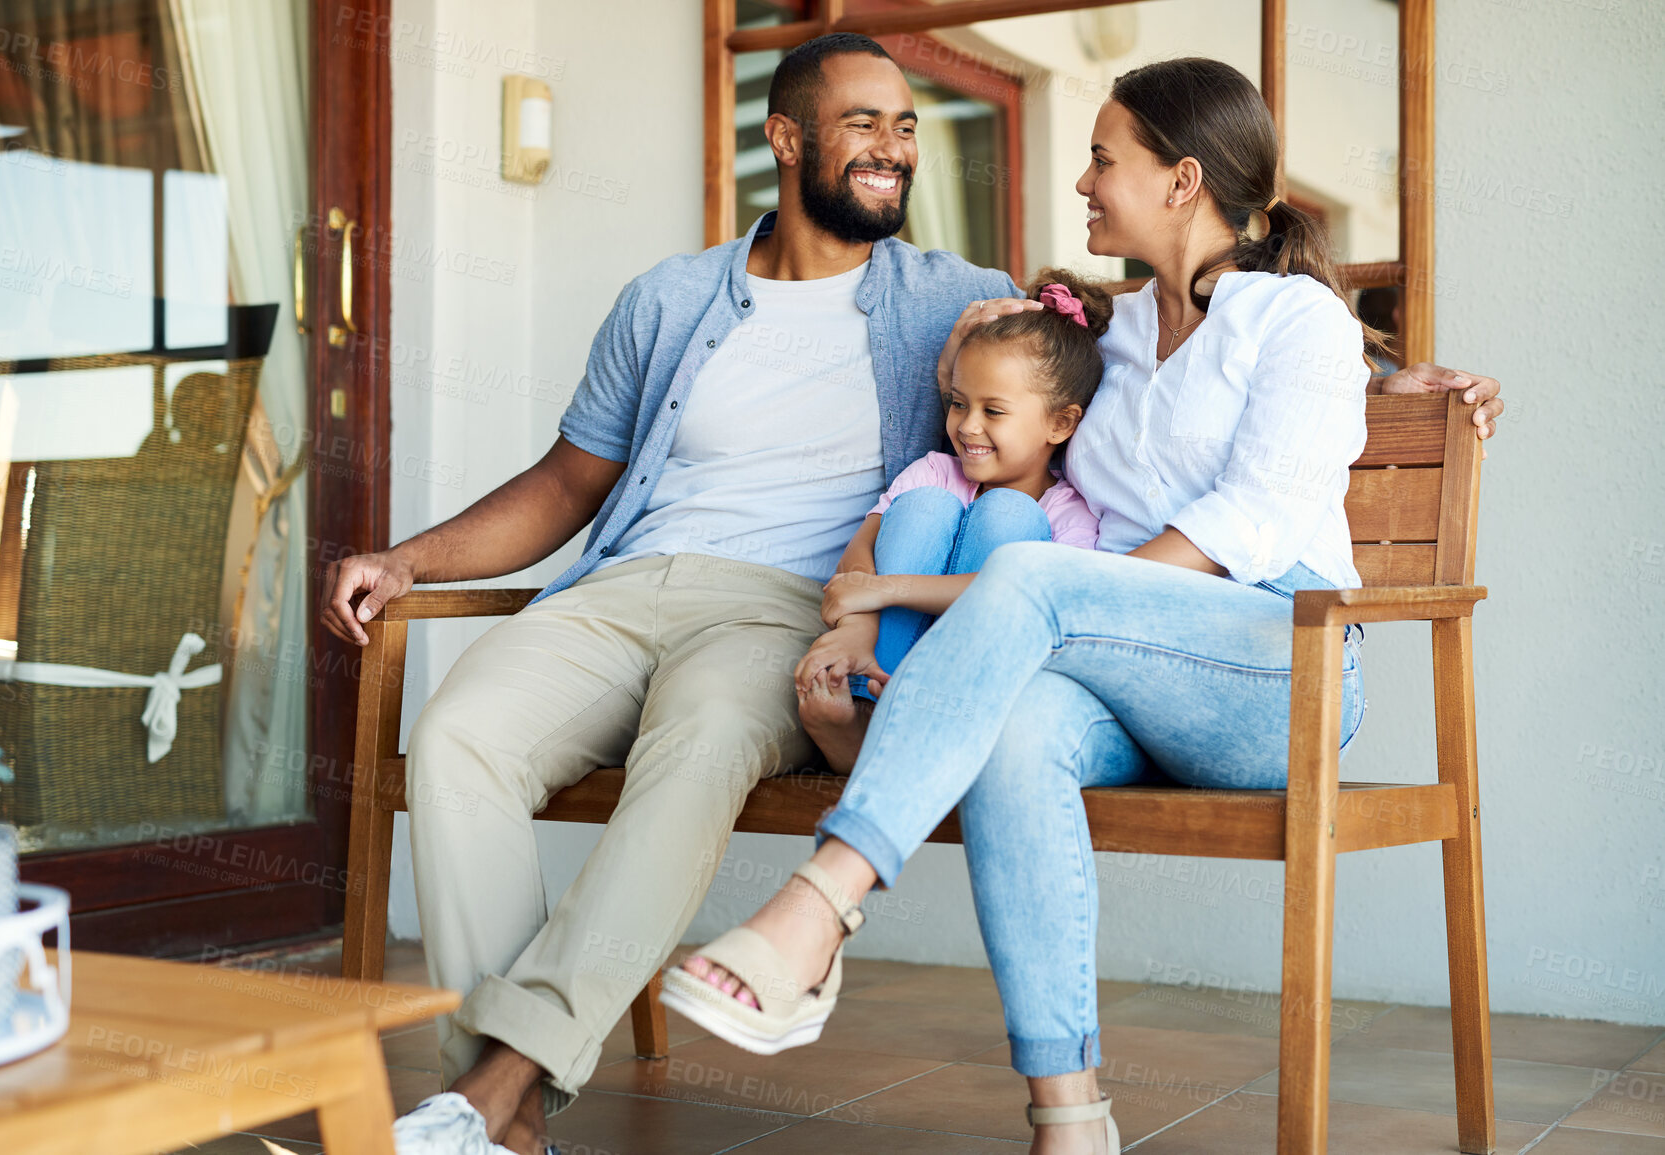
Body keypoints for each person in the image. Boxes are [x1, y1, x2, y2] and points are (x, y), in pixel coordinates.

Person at [665, 56, 1479, 1155]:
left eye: (1104, 158)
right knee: (1018, 737)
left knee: (1034, 575)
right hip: (1121, 674)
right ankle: (1070, 1119)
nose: (1084, 181)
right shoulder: (1110, 334)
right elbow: (1007, 408)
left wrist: (1383, 380)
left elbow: (1257, 512)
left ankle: (822, 902)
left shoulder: (1297, 322)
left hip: (1276, 668)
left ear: (1184, 180)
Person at [324, 33, 1020, 1155]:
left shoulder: (957, 299)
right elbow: (565, 484)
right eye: (863, 124)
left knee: (696, 743)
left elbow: (1136, 336)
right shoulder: (669, 300)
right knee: (457, 738)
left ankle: (495, 1092)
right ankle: (502, 1120)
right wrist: (407, 560)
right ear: (785, 138)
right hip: (624, 587)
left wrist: (1380, 364)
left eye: (906, 126)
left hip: (789, 608)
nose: (893, 148)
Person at [797, 271, 1110, 772]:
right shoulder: (934, 473)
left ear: (1061, 422)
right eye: (959, 403)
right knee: (925, 507)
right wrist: (858, 624)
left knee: (1009, 515)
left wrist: (888, 590)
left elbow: (1021, 600)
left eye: (994, 410)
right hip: (886, 659)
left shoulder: (1068, 514)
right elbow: (861, 552)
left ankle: (919, 727)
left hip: (977, 687)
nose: (967, 426)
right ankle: (868, 706)